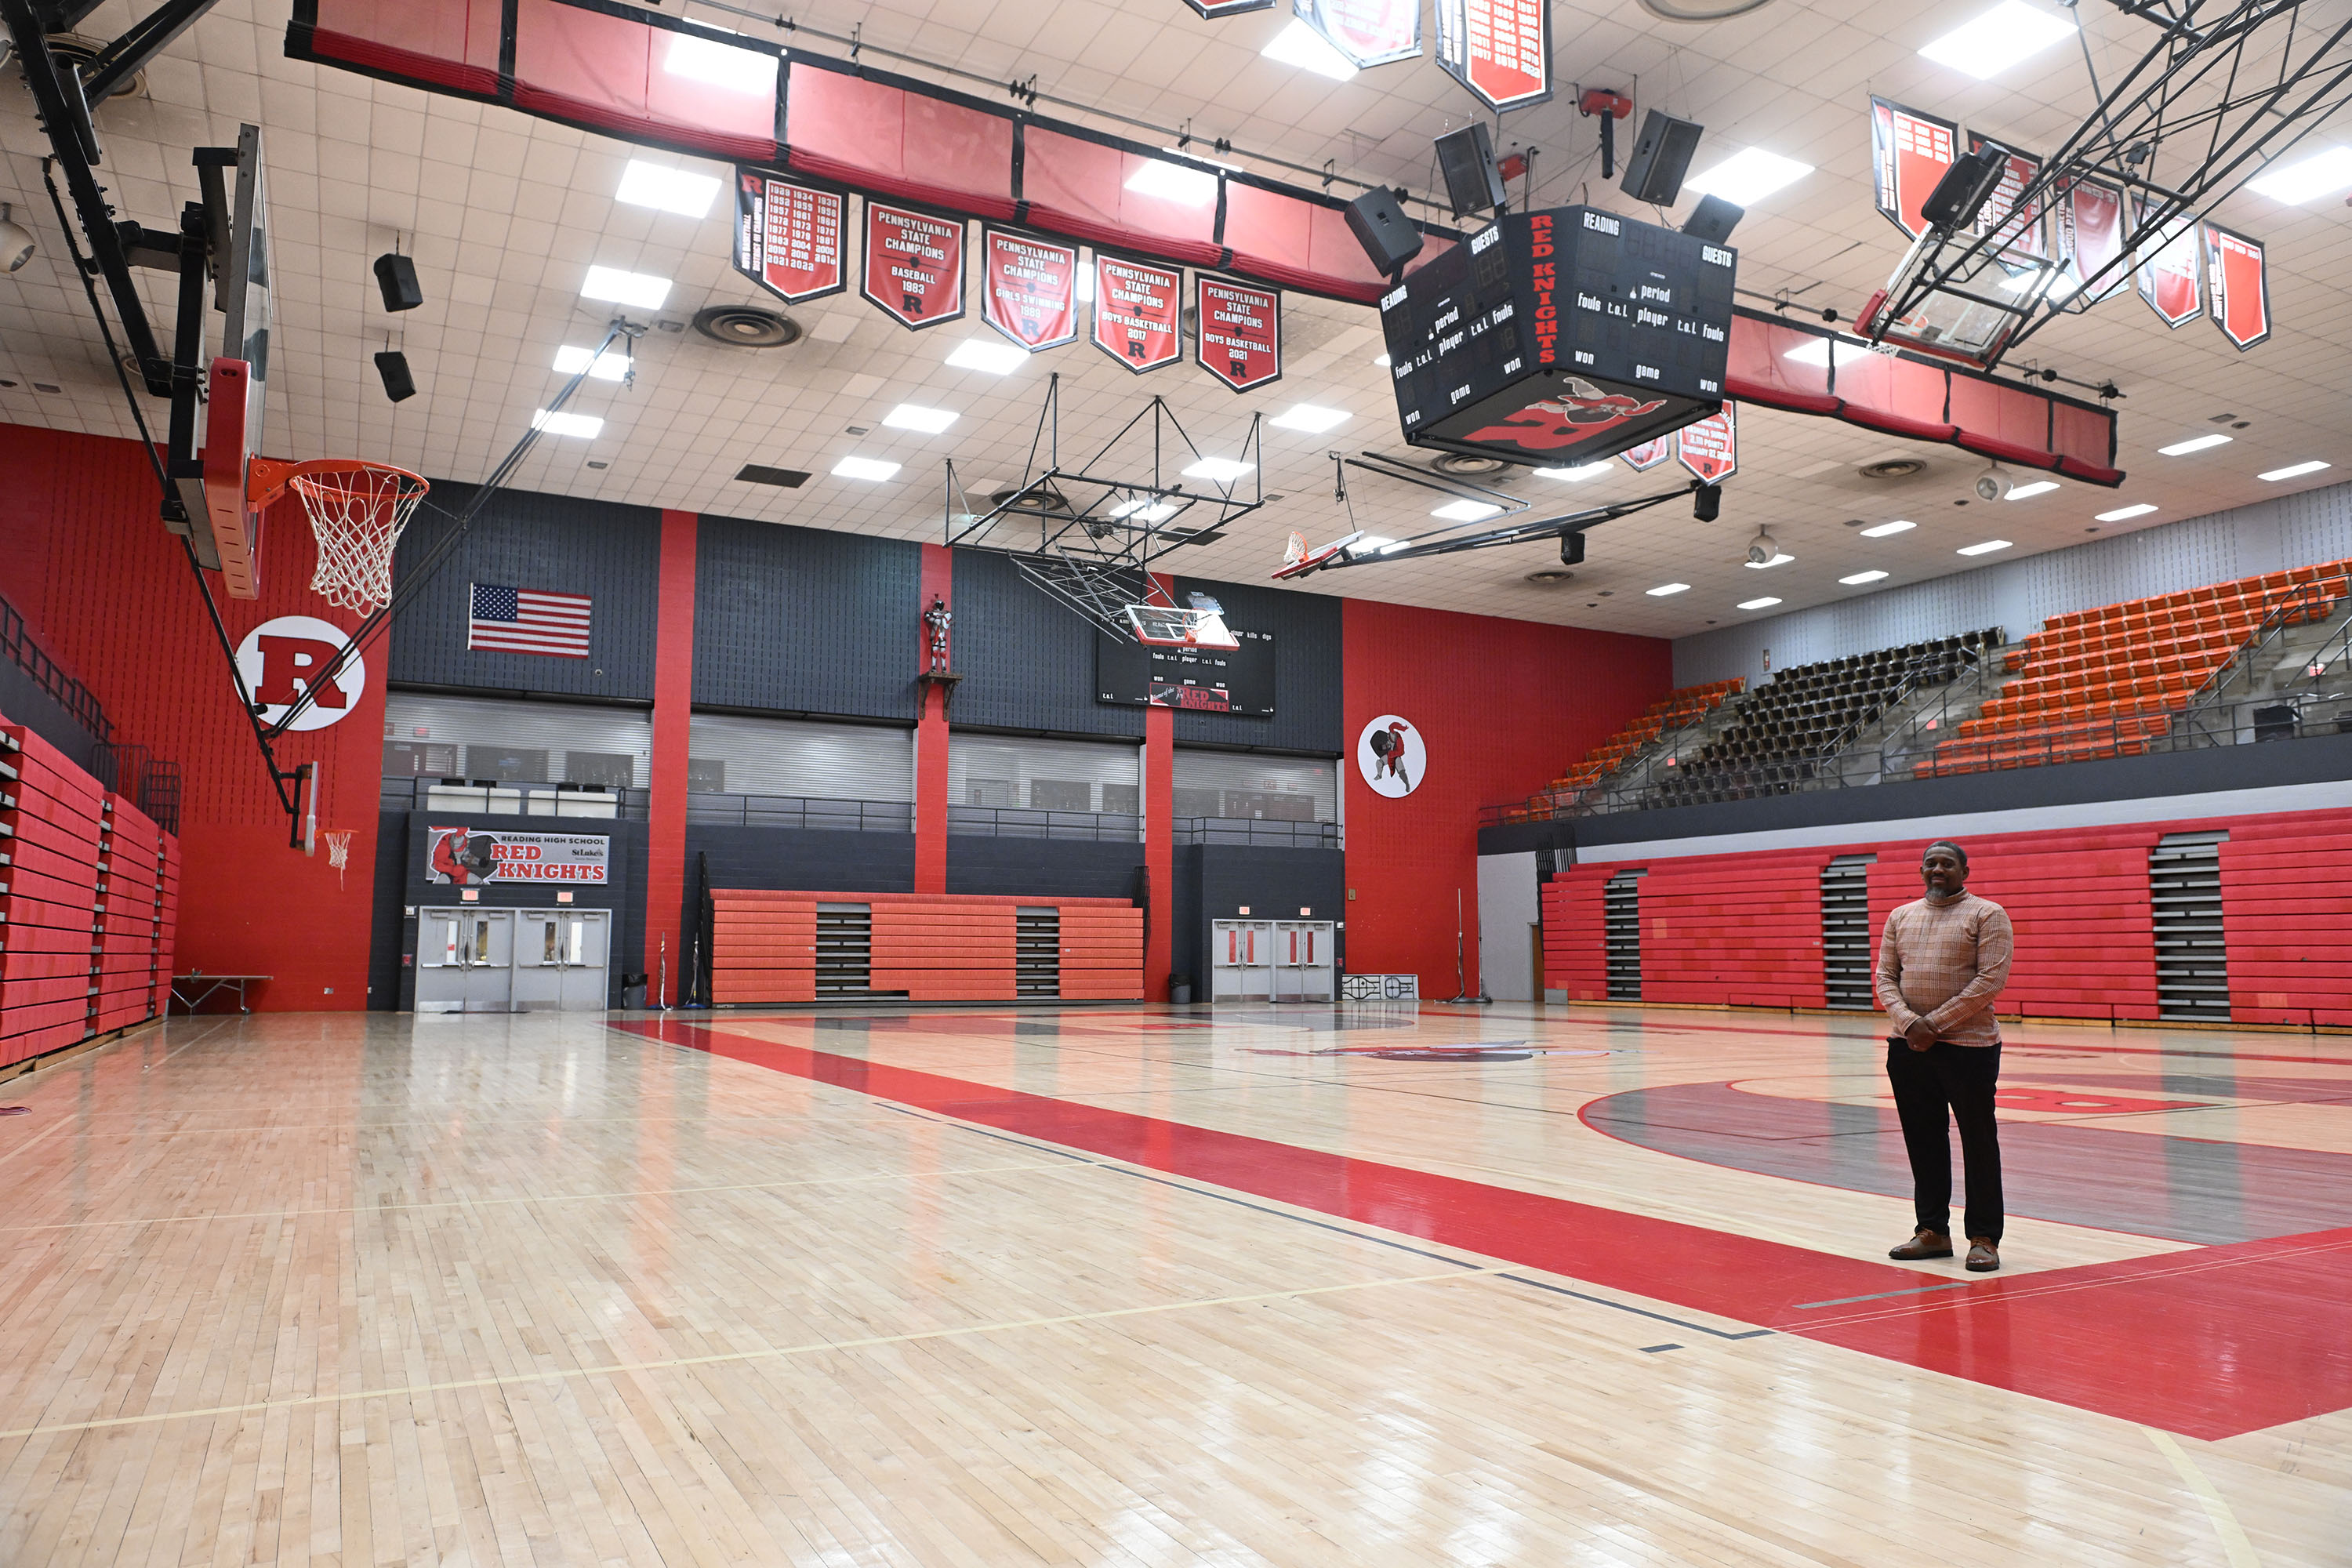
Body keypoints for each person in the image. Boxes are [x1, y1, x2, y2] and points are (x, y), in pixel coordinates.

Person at [1874, 840, 2015, 1272]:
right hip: (1908, 1048)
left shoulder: (1986, 914)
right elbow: (1884, 977)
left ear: (1964, 872)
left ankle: (1984, 1237)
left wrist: (1933, 1024)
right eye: (1931, 863)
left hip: (1968, 1049)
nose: (1938, 869)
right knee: (1924, 1142)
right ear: (1921, 870)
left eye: (1947, 864)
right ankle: (1932, 1231)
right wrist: (1909, 1023)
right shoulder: (1900, 916)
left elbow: (1991, 980)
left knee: (1978, 1143)